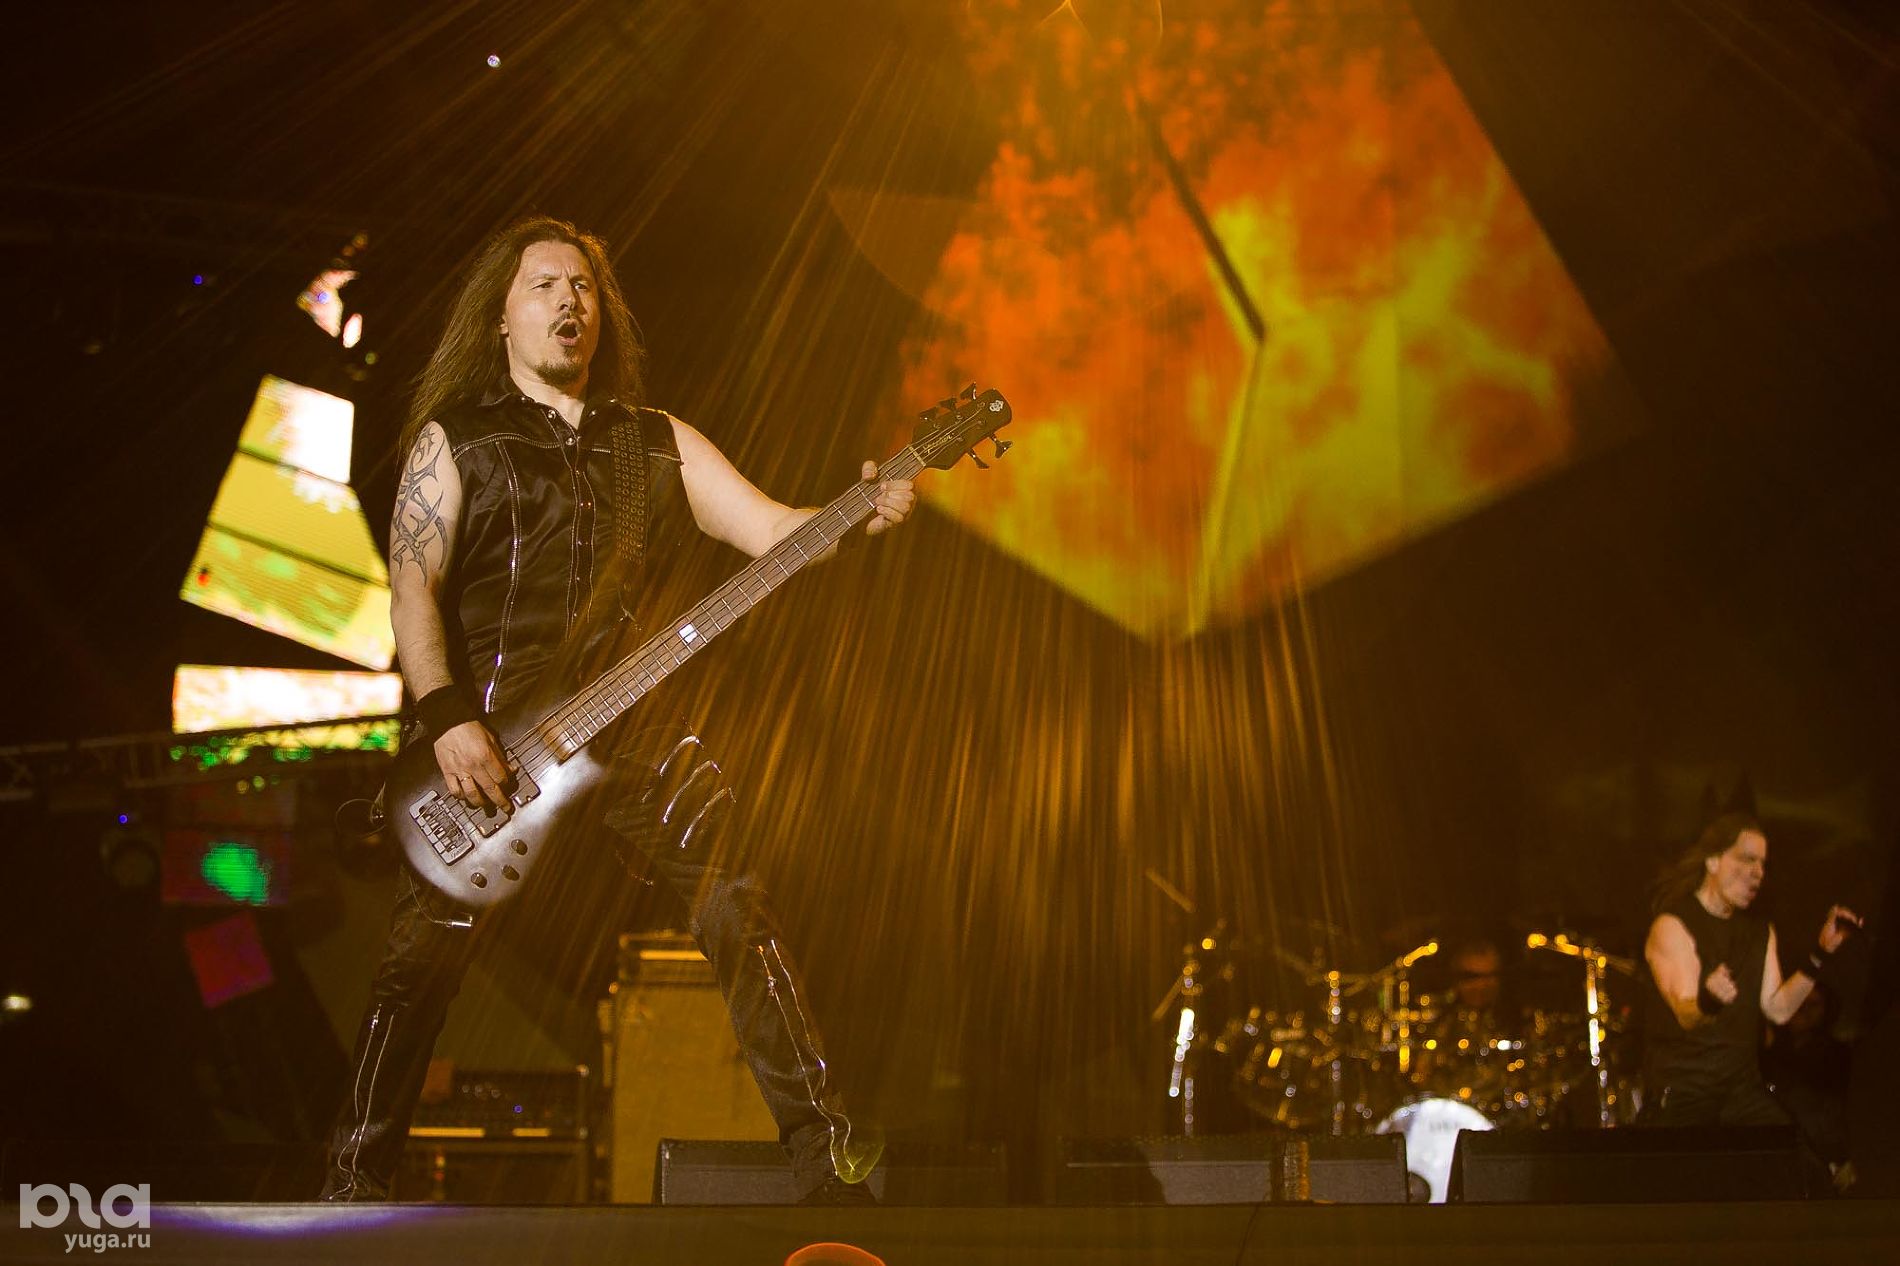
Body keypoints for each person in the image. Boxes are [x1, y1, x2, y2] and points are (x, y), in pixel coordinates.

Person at [319, 216, 914, 1204]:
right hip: (487, 733)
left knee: (736, 903)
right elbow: (411, 585)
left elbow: (774, 531)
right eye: (544, 284)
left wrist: (862, 511)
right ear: (501, 317)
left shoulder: (653, 439)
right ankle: (353, 1182)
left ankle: (829, 1160)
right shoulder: (455, 438)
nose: (569, 300)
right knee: (418, 963)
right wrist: (447, 715)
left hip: (633, 719)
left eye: (584, 286)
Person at [1639, 812, 1861, 1128]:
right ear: (1713, 861)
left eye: (1762, 864)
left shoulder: (1759, 932)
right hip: (1685, 1095)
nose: (1757, 873)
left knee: (1795, 1150)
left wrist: (1821, 953)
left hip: (1740, 1096)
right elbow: (1686, 1012)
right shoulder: (1673, 925)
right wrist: (1709, 1001)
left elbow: (1778, 1010)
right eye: (1746, 859)